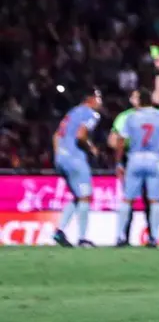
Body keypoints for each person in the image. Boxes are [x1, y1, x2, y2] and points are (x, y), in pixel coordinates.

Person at [111, 52, 159, 243]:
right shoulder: (125, 117)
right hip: (144, 158)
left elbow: (115, 141)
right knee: (145, 200)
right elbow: (113, 141)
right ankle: (132, 236)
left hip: (134, 159)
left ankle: (140, 235)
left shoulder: (129, 117)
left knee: (141, 201)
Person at [114, 90, 159, 248]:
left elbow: (120, 142)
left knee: (127, 199)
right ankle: (153, 238)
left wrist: (118, 163)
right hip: (155, 159)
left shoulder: (130, 117)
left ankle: (120, 236)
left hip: (135, 158)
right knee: (154, 200)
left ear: (139, 101)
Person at [51, 88, 103, 248]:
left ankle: (59, 231)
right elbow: (81, 135)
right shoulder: (91, 114)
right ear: (90, 99)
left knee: (78, 196)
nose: (101, 102)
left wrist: (58, 156)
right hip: (75, 158)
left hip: (61, 157)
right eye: (99, 98)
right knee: (85, 197)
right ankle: (82, 238)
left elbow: (56, 135)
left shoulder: (72, 112)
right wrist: (91, 147)